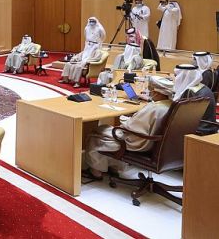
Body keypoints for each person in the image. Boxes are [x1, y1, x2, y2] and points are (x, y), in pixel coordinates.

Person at [84, 64, 216, 180]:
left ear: (157, 93)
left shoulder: (154, 108)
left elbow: (131, 128)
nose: (150, 92)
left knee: (98, 132)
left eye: (152, 90)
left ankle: (97, 171)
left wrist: (125, 120)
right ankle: (114, 167)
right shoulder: (173, 105)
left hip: (141, 144)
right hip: (160, 145)